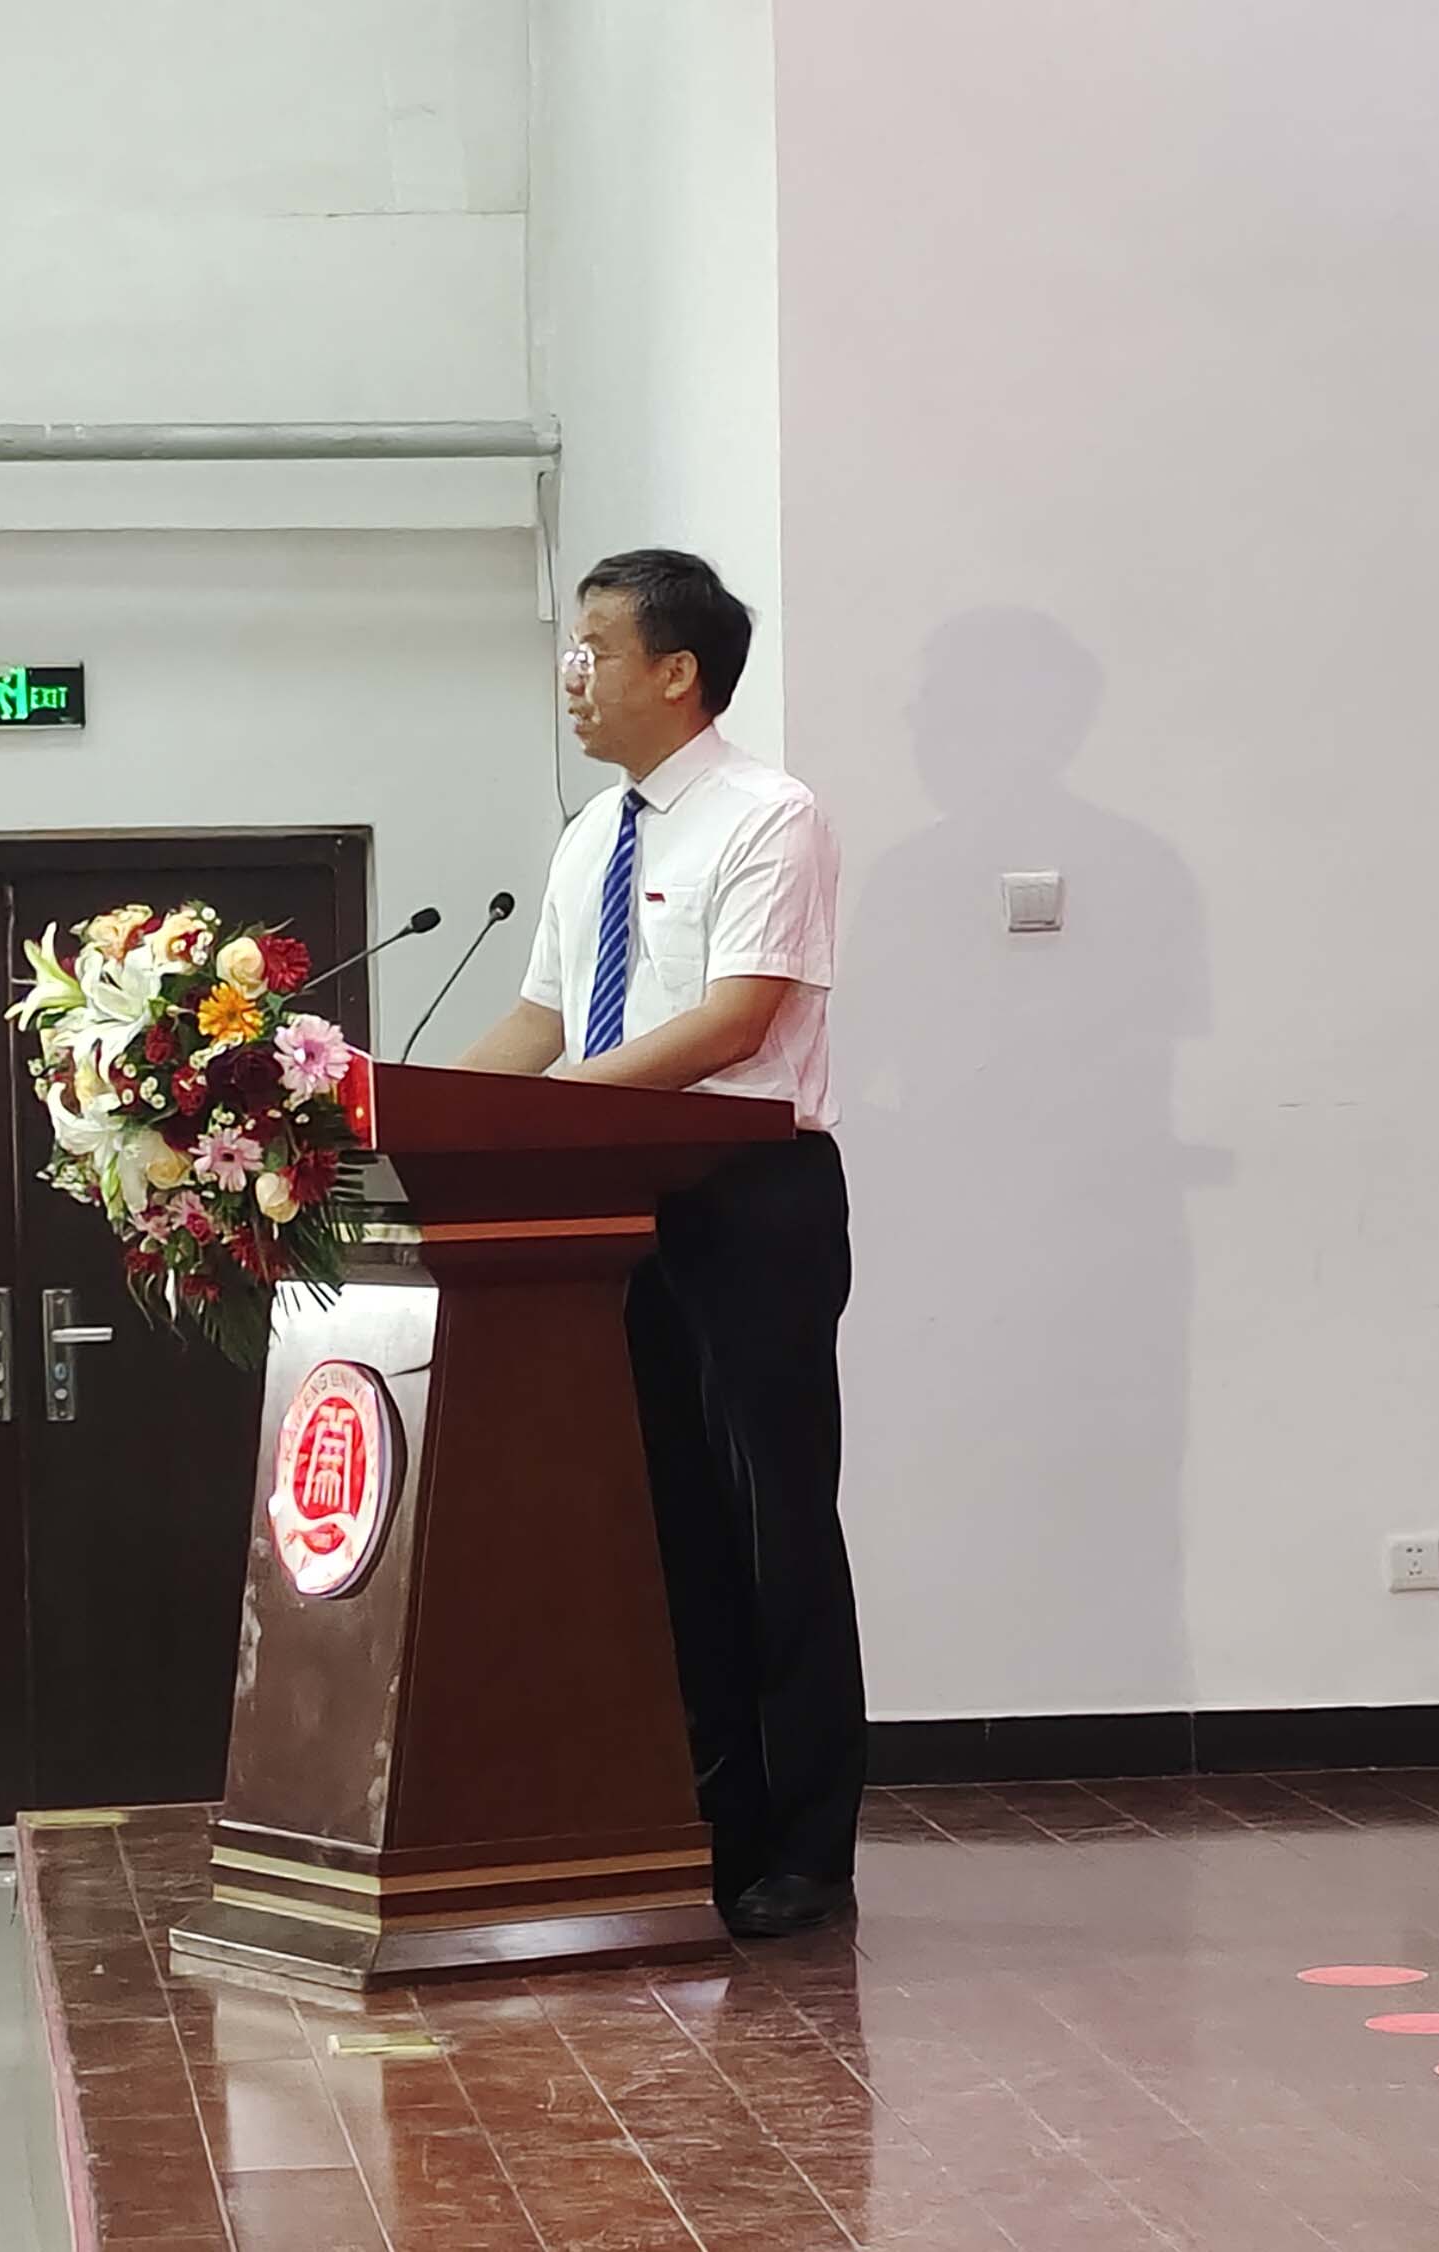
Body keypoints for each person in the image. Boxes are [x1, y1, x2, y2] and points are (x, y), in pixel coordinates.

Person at [456, 548, 863, 1939]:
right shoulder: (592, 836)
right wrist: (403, 1111)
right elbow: (543, 1021)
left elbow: (738, 1019)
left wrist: (558, 1109)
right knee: (668, 1523)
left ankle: (807, 1847)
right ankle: (709, 1826)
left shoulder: (769, 817)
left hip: (752, 1199)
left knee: (773, 1516)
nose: (570, 677)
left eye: (594, 651)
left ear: (677, 671)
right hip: (616, 1204)